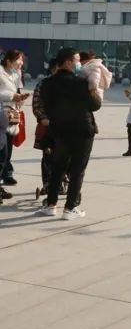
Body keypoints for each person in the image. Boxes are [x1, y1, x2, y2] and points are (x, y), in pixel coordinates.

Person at [37, 48, 102, 220]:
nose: (79, 63)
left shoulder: (47, 84)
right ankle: (70, 208)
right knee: (78, 169)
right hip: (83, 130)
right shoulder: (81, 82)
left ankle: (51, 205)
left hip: (60, 130)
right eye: (77, 60)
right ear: (67, 62)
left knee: (58, 167)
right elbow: (95, 105)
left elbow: (47, 107)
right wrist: (94, 90)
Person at [32, 59, 65, 197]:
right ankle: (48, 183)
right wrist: (43, 118)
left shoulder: (69, 83)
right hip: (48, 126)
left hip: (65, 127)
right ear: (52, 69)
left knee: (65, 156)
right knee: (48, 155)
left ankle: (63, 182)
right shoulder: (43, 84)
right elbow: (36, 103)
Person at [0, 49, 28, 189]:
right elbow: (8, 94)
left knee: (8, 145)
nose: (21, 63)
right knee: (2, 146)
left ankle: (7, 173)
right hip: (1, 112)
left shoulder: (17, 73)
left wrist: (20, 99)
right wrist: (11, 97)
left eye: (22, 60)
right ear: (8, 61)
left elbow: (17, 91)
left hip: (11, 113)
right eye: (18, 60)